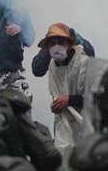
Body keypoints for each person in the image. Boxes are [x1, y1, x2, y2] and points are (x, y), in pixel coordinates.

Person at [38, 23, 90, 158]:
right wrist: (57, 105)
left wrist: (70, 100)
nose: (56, 46)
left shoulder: (84, 64)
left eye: (61, 42)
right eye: (52, 43)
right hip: (64, 128)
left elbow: (97, 99)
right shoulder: (52, 67)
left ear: (69, 44)